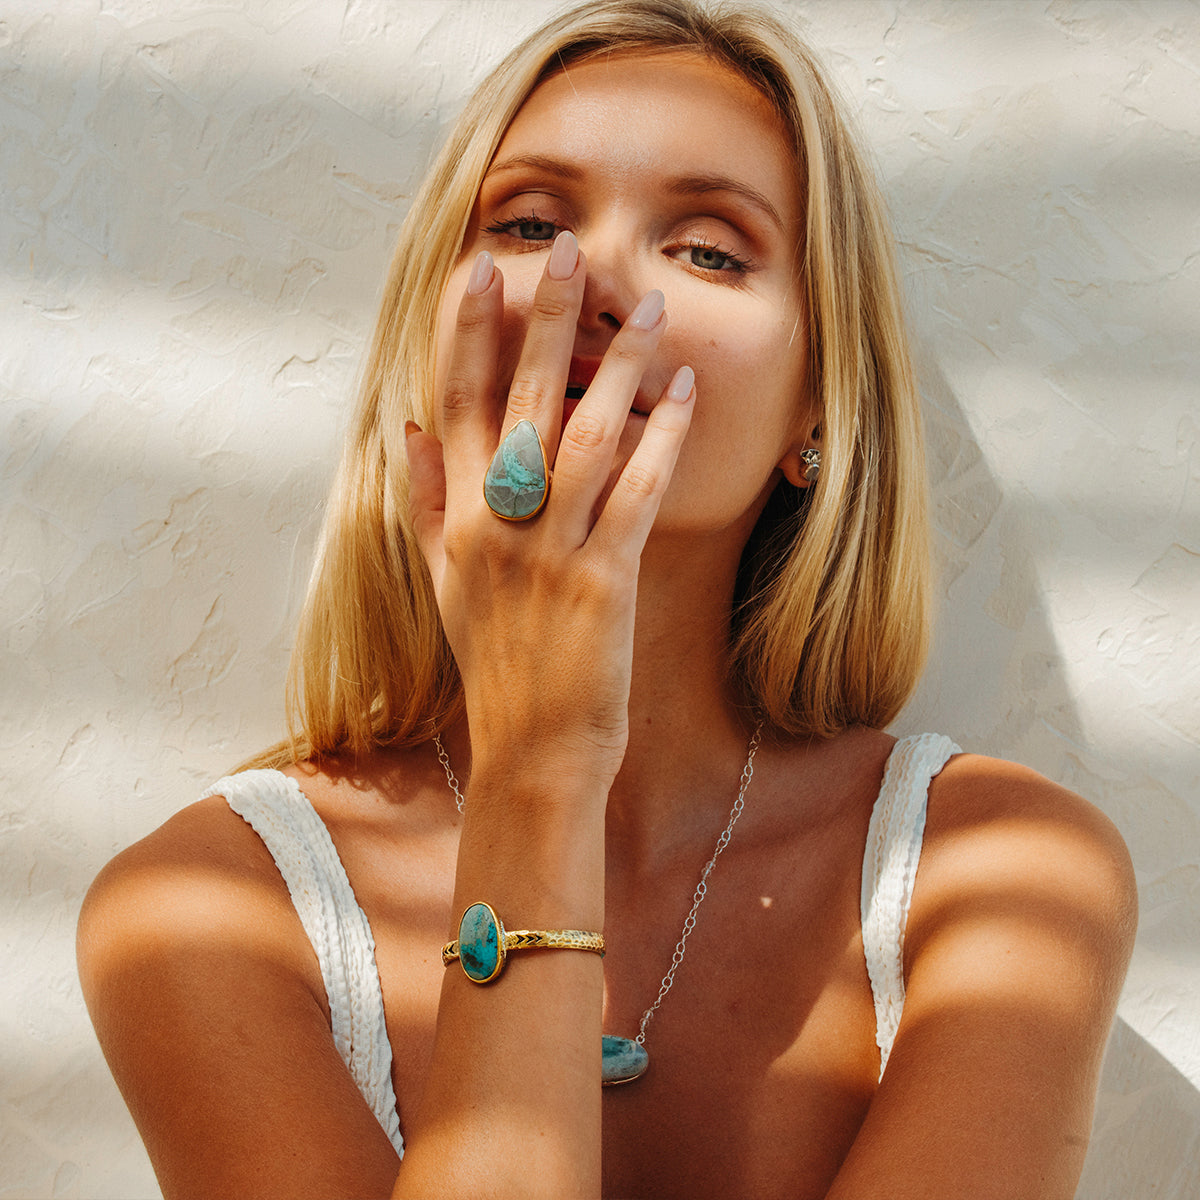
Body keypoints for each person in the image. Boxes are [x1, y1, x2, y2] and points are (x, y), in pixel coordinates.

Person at [76, 2, 1138, 1196]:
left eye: (710, 248)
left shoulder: (1001, 874)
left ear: (817, 410)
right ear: (431, 352)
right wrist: (540, 769)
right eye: (531, 224)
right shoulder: (206, 906)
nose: (592, 285)